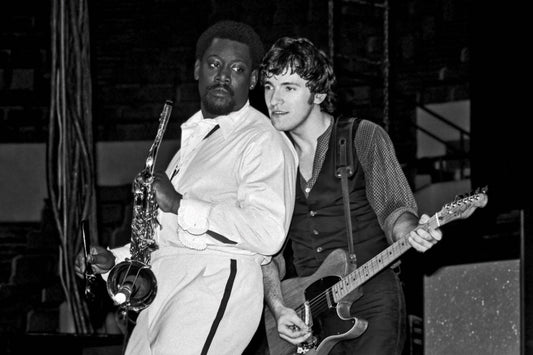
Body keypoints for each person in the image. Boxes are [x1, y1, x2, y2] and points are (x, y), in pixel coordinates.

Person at [75, 21, 298, 355]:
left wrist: (180, 203)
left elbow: (268, 233)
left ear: (252, 81)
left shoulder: (263, 139)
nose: (223, 75)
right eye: (214, 64)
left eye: (237, 69)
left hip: (214, 281)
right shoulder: (192, 144)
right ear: (197, 69)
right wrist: (112, 261)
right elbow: (165, 236)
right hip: (161, 292)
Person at [260, 36, 443, 355]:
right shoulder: (271, 160)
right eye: (269, 87)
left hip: (371, 299)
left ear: (317, 93)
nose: (275, 99)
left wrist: (411, 232)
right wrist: (278, 307)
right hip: (309, 309)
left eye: (289, 88)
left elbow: (395, 209)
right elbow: (266, 254)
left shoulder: (363, 136)